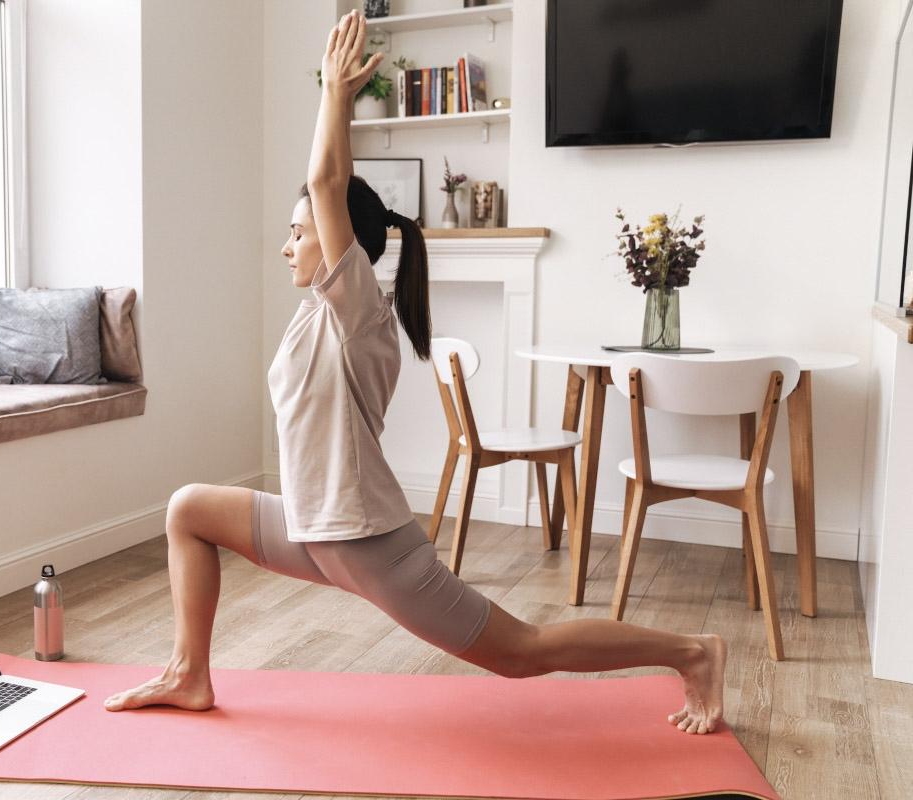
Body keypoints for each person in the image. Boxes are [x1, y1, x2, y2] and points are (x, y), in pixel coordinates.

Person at [104, 9, 726, 735]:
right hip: (312, 528)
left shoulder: (358, 311)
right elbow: (324, 199)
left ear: (343, 248)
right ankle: (188, 674)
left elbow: (328, 182)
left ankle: (694, 651)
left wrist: (334, 94)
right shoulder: (316, 311)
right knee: (187, 509)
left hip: (366, 541)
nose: (286, 247)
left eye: (298, 233)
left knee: (520, 652)